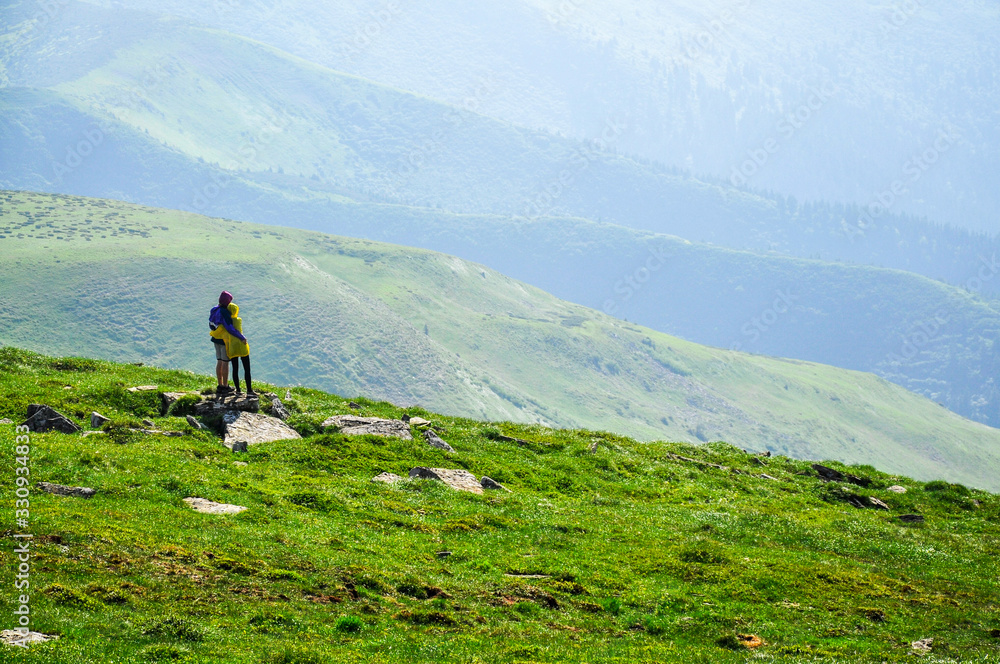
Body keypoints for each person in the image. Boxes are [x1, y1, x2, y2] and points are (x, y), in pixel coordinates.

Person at [209, 291, 246, 394]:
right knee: (225, 362)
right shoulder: (224, 312)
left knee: (219, 361)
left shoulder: (214, 309)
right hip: (224, 340)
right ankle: (225, 386)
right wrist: (241, 337)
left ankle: (220, 385)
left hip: (215, 338)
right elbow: (229, 328)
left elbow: (211, 323)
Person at [223, 302, 255, 397]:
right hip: (242, 346)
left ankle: (238, 390)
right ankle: (249, 390)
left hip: (233, 347)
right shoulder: (238, 320)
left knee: (235, 369)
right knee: (247, 369)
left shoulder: (225, 322)